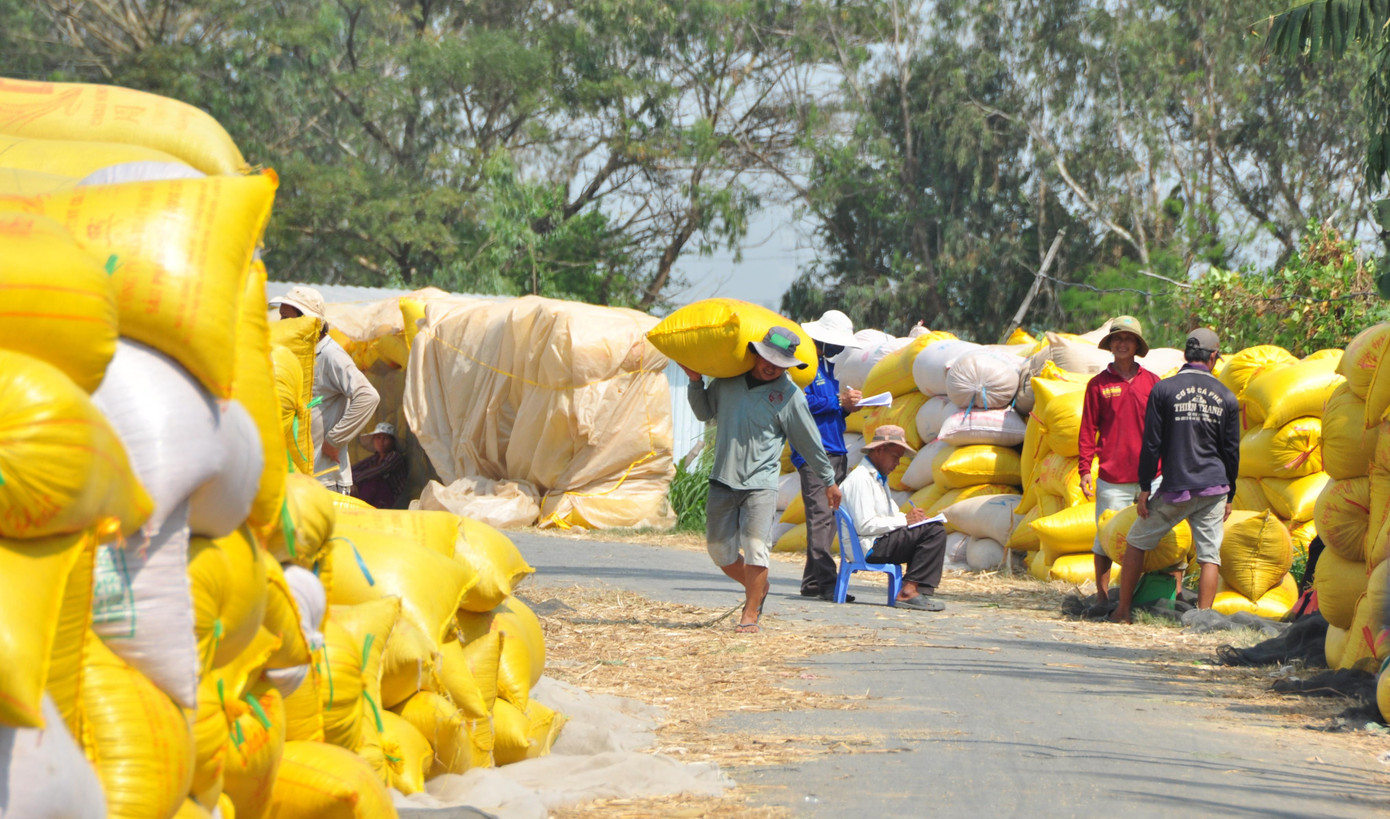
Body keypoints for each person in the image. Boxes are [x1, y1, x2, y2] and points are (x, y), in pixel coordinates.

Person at [683, 326, 842, 634]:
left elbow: (809, 442)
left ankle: (750, 612)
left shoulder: (789, 396)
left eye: (780, 362)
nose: (772, 366)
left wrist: (828, 480)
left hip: (761, 484)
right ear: (755, 354)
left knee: (757, 548)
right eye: (767, 358)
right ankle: (761, 587)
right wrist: (694, 381)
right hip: (722, 480)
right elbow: (704, 412)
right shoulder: (727, 383)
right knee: (720, 552)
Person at [1112, 328, 1239, 624]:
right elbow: (1231, 451)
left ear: (1185, 355)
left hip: (1176, 487)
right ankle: (1203, 621)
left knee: (1137, 541)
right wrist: (1230, 493)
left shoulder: (1164, 389)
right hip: (1214, 486)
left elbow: (1151, 443)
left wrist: (1145, 487)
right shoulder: (1226, 396)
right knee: (1209, 555)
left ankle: (1123, 611)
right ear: (1213, 358)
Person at [1077, 316, 1161, 602]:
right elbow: (1088, 429)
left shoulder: (1154, 383)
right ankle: (1102, 598)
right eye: (1117, 339)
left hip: (1152, 478)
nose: (1122, 343)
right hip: (1112, 478)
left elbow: (1165, 431)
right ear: (1110, 345)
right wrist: (1084, 469)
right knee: (1105, 538)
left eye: (1128, 339)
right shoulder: (1097, 385)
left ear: (1137, 345)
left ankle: (1153, 598)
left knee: (1157, 539)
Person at [271, 285, 380, 494]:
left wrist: (335, 440)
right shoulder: (298, 355)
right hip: (301, 479)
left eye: (286, 319)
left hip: (326, 481)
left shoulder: (330, 354)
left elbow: (368, 396)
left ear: (307, 320)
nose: (281, 326)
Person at [792, 309, 862, 601]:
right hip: (814, 453)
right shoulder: (801, 367)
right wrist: (836, 400)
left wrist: (846, 406)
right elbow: (800, 404)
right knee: (821, 518)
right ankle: (828, 584)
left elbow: (828, 412)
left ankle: (811, 582)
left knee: (829, 520)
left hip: (835, 449)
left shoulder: (827, 369)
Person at [839, 425, 948, 611]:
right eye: (895, 457)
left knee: (932, 528)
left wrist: (915, 520)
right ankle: (908, 592)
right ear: (880, 450)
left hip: (879, 540)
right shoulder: (861, 479)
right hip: (868, 546)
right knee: (934, 532)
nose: (897, 463)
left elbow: (892, 515)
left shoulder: (878, 479)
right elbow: (865, 526)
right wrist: (906, 521)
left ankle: (917, 590)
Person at [352, 422, 408, 509]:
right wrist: (349, 481)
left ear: (392, 442)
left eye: (385, 438)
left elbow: (378, 471)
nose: (381, 442)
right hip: (377, 498)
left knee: (373, 481)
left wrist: (355, 480)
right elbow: (355, 468)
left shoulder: (395, 457)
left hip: (394, 501)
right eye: (378, 438)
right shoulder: (375, 458)